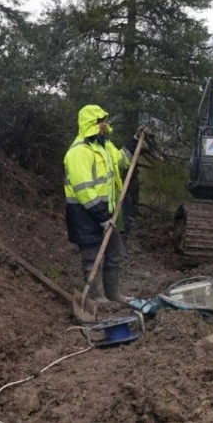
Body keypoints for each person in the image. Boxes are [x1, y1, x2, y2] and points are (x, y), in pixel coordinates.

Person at [63, 104, 144, 305]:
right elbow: (84, 190)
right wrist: (101, 217)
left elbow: (122, 160)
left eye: (104, 121)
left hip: (105, 213)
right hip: (84, 213)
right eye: (100, 121)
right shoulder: (78, 152)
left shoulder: (104, 146)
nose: (104, 125)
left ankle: (113, 294)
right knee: (92, 257)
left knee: (115, 252)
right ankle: (96, 298)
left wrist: (135, 141)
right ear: (91, 124)